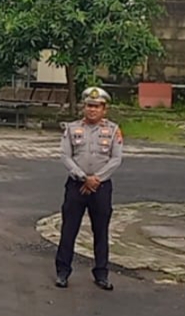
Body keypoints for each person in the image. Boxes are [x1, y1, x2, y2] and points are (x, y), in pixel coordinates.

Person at [55, 87, 123, 291]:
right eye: (89, 106)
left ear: (104, 109)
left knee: (100, 231)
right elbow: (65, 156)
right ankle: (62, 272)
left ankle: (101, 273)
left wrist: (96, 179)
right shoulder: (72, 128)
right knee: (69, 229)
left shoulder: (113, 130)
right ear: (84, 107)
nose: (92, 110)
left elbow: (116, 159)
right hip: (76, 185)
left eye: (97, 106)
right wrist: (83, 177)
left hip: (100, 187)